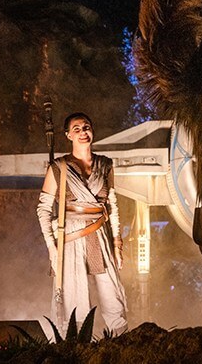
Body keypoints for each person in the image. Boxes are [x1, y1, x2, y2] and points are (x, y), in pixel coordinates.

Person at [36, 112, 128, 335]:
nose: (82, 132)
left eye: (86, 127)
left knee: (113, 298)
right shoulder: (58, 167)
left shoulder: (105, 165)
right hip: (71, 238)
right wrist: (52, 248)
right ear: (68, 135)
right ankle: (72, 351)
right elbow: (44, 209)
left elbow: (112, 205)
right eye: (76, 129)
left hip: (100, 235)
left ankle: (120, 346)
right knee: (73, 304)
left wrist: (117, 243)